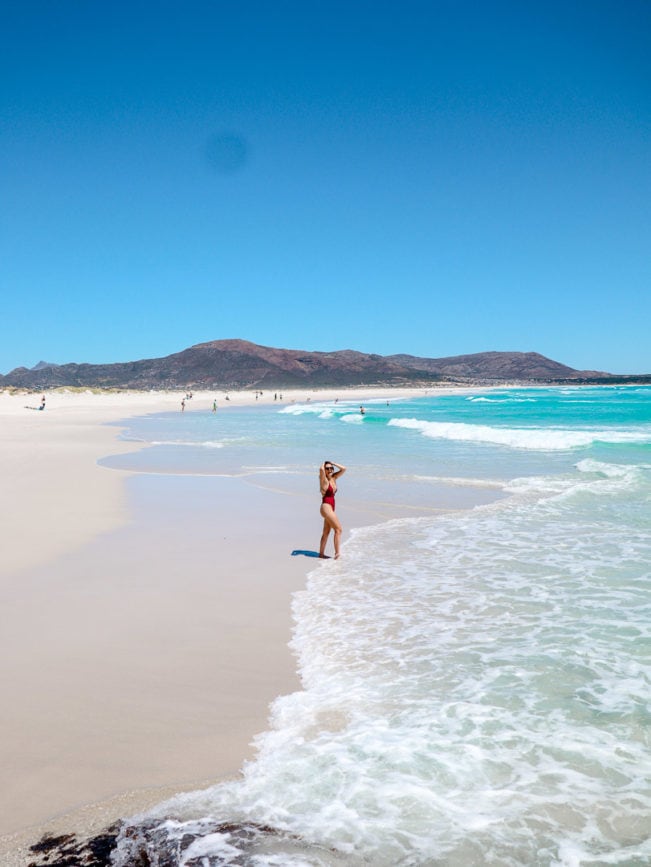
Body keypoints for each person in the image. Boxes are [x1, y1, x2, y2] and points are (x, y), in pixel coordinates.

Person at [319, 460, 346, 559]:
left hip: (331, 507)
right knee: (338, 530)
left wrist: (333, 463)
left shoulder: (334, 478)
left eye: (331, 468)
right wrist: (324, 463)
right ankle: (337, 554)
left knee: (326, 532)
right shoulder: (323, 479)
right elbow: (321, 469)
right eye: (327, 468)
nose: (330, 470)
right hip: (326, 507)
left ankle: (321, 554)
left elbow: (344, 469)